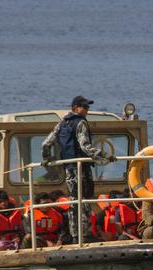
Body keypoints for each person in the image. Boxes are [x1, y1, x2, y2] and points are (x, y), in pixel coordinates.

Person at [41, 95, 116, 242]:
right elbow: (85, 146)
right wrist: (105, 156)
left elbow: (45, 144)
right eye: (85, 107)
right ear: (75, 108)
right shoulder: (81, 123)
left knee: (74, 201)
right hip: (81, 168)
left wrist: (46, 159)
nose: (87, 110)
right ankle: (85, 235)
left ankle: (75, 235)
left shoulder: (62, 123)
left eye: (88, 107)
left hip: (69, 169)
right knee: (84, 200)